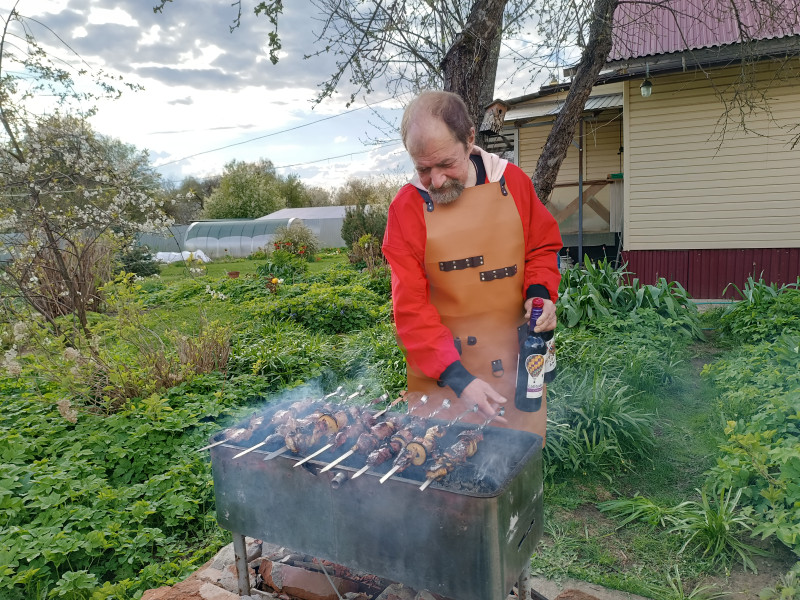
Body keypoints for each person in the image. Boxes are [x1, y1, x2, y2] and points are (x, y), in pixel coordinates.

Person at [381, 90, 562, 439]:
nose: (436, 181)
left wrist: (540, 294)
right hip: (442, 382)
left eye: (446, 164)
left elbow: (542, 247)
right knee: (436, 464)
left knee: (520, 467)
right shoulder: (406, 209)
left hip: (518, 373)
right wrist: (459, 379)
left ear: (469, 139)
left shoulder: (513, 183)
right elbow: (411, 310)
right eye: (423, 169)